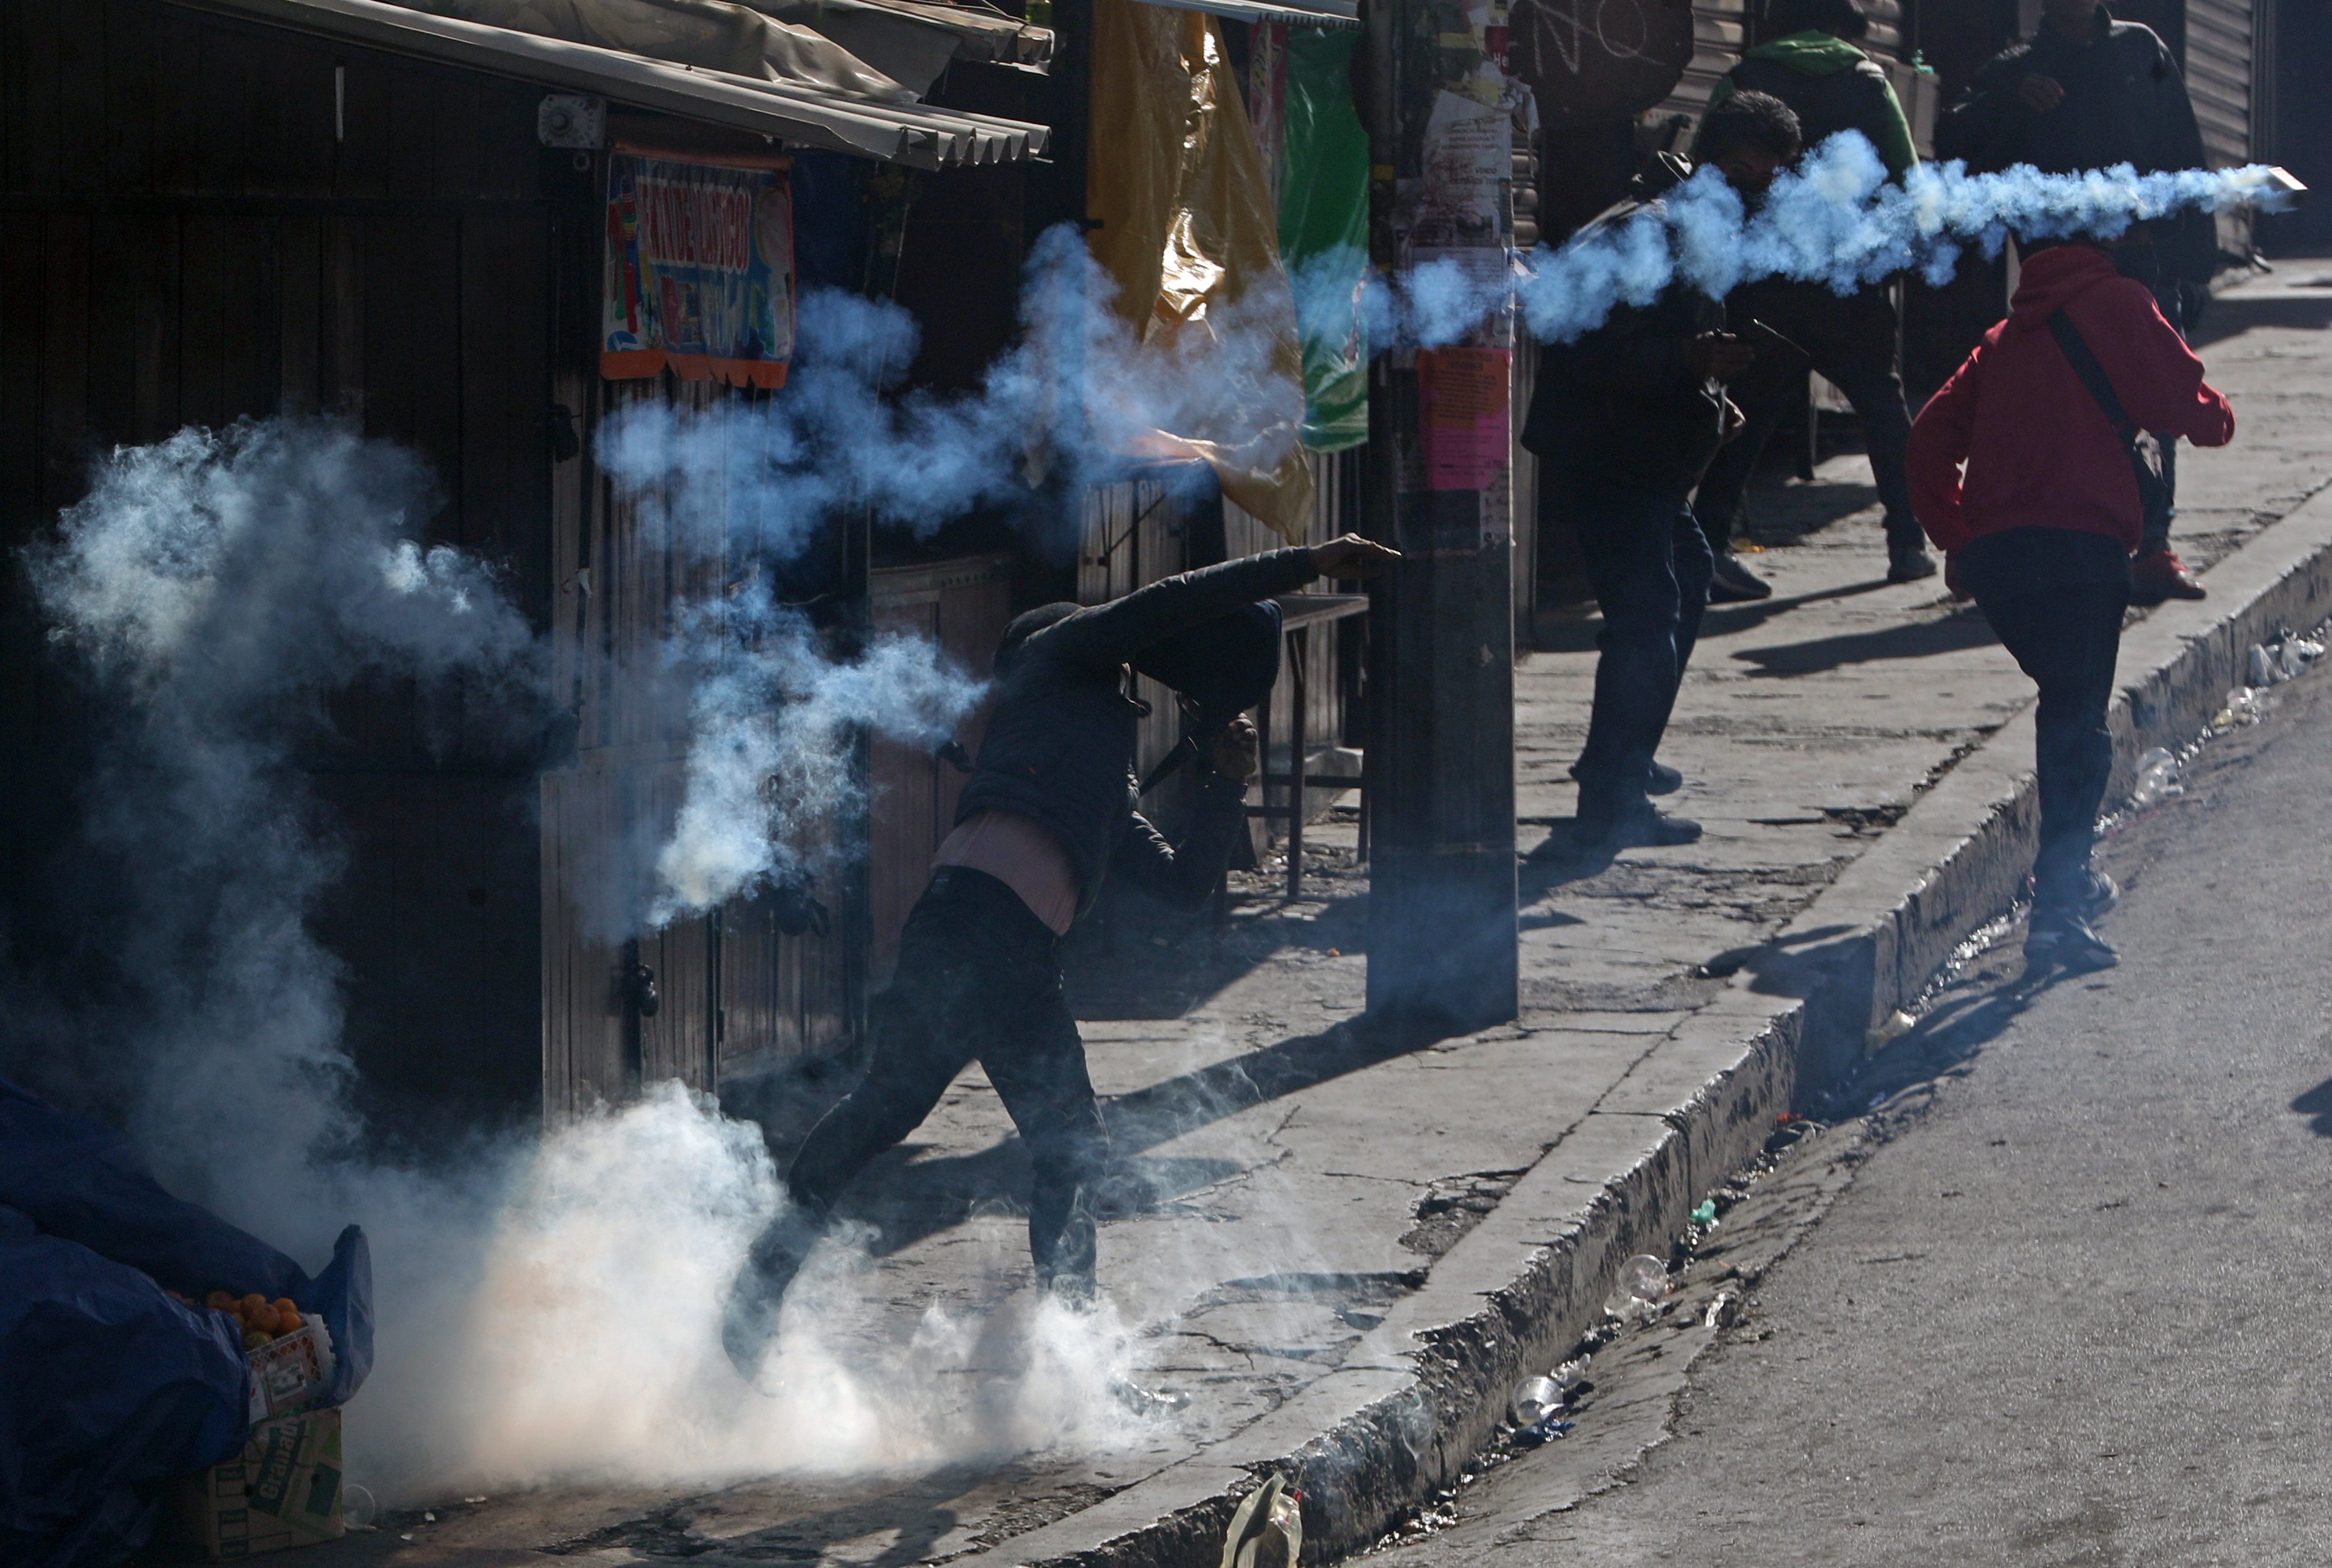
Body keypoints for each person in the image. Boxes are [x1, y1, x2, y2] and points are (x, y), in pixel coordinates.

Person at [721, 533, 1400, 1375]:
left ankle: (779, 1294)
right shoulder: (1053, 659)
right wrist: (1311, 558)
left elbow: (1185, 886)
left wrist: (1225, 780)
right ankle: (1067, 1363)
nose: (1121, 653)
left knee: (988, 1133)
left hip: (993, 948)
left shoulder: (1107, 778)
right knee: (1007, 1138)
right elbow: (1171, 602)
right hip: (979, 930)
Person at [1907, 236, 2231, 973]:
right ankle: (2056, 910)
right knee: (2076, 727)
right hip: (2082, 554)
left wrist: (1956, 537)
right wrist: (2217, 418)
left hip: (2004, 565)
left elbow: (1927, 438)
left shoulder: (2001, 336)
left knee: (2066, 708)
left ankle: (2069, 880)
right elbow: (2188, 404)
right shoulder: (2122, 301)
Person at [1522, 91, 1800, 847]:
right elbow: (1583, 350)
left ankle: (1623, 760)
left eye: (1764, 181)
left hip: (1645, 455)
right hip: (1613, 455)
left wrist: (1706, 388)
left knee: (1683, 583)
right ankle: (1610, 800)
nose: (1751, 195)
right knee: (1646, 621)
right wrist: (1685, 362)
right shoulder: (1639, 232)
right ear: (1708, 161)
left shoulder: (1691, 228)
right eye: (1740, 175)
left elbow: (1674, 339)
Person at [1936, 0, 2215, 606]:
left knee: (2152, 402)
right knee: (2054, 404)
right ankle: (2056, 547)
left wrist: (2194, 259)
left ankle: (2150, 548)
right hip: (2053, 271)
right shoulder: (2014, 68)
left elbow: (2183, 147)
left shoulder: (2139, 49)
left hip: (2138, 261)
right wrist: (2010, 98)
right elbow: (1954, 142)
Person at [1687, 0, 1936, 600]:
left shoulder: (1742, 77)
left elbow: (1701, 169)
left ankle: (1708, 548)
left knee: (1746, 412)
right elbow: (1906, 179)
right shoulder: (1868, 81)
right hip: (1847, 283)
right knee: (1880, 406)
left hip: (1763, 282)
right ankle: (1907, 545)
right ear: (1844, 28)